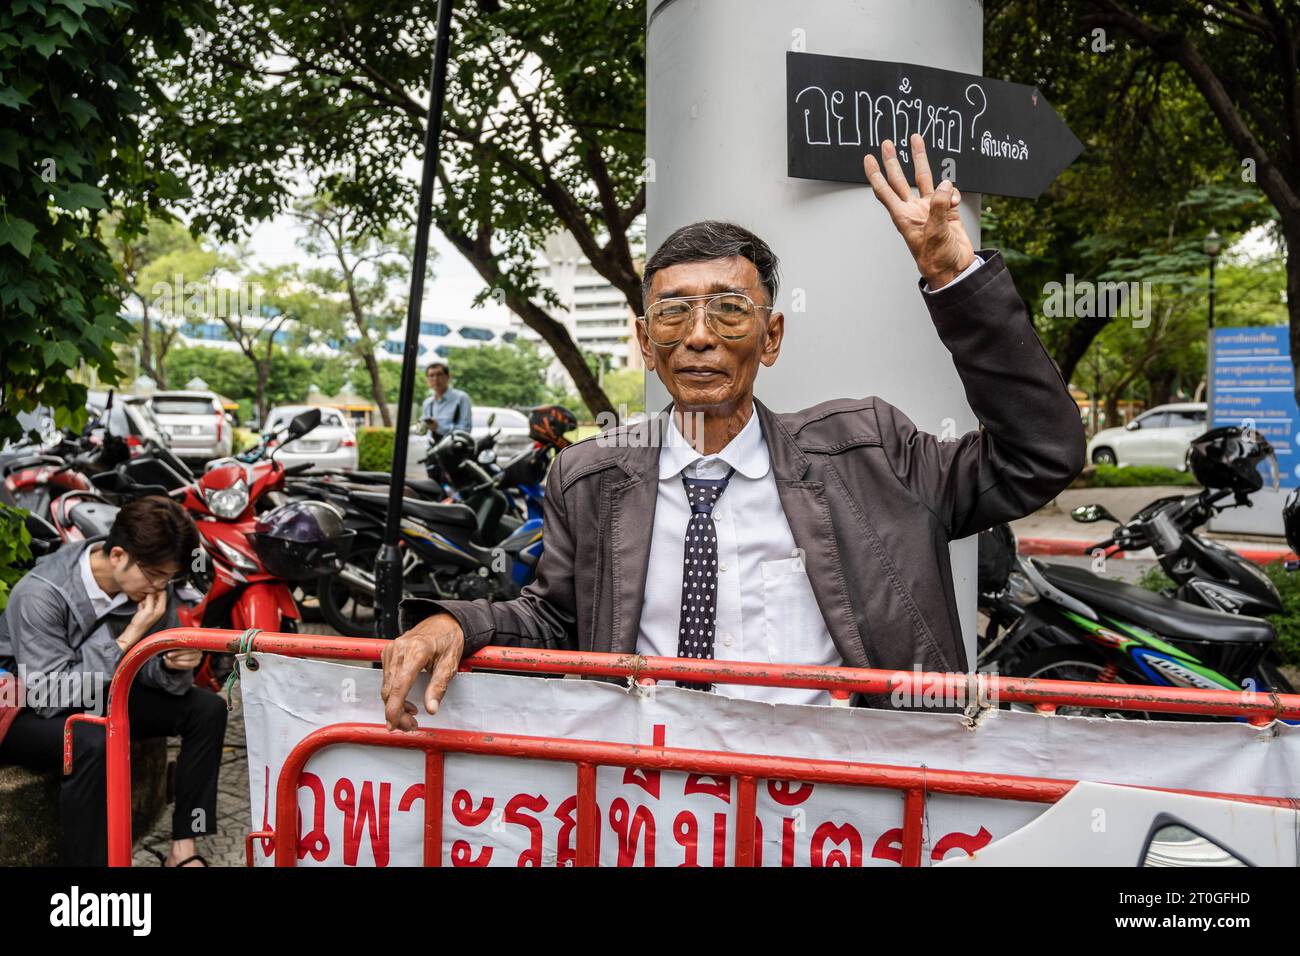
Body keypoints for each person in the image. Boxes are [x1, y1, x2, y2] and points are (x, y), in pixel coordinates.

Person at [381, 134, 1086, 722]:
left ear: (770, 337)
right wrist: (457, 623)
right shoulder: (591, 477)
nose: (699, 338)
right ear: (644, 342)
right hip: (661, 810)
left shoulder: (872, 453)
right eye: (673, 315)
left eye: (728, 311)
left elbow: (1040, 454)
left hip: (842, 815)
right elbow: (560, 619)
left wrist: (956, 278)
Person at [0, 496, 227, 866]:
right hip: (23, 705)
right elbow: (48, 696)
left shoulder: (152, 583)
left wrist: (171, 664)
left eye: (169, 577)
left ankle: (184, 849)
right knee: (91, 740)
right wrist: (128, 637)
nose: (160, 586)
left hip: (96, 690)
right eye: (155, 574)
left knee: (207, 709)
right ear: (118, 555)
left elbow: (150, 673)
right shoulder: (40, 593)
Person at [421, 361, 472, 439]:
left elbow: (465, 430)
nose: (435, 379)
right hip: (432, 448)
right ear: (427, 380)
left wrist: (438, 428)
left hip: (454, 448)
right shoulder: (427, 403)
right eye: (431, 376)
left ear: (448, 377)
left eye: (439, 374)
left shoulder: (461, 398)